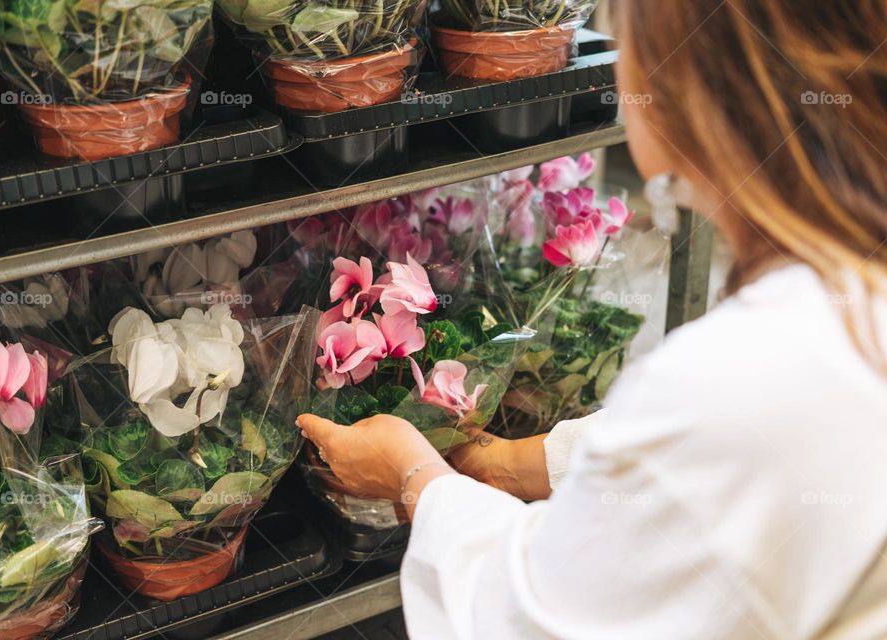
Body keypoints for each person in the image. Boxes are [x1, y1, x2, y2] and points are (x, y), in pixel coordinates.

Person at [297, 1, 887, 637]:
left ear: (690, 82)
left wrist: (415, 475)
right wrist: (506, 463)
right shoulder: (841, 305)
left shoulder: (742, 372)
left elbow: (536, 618)